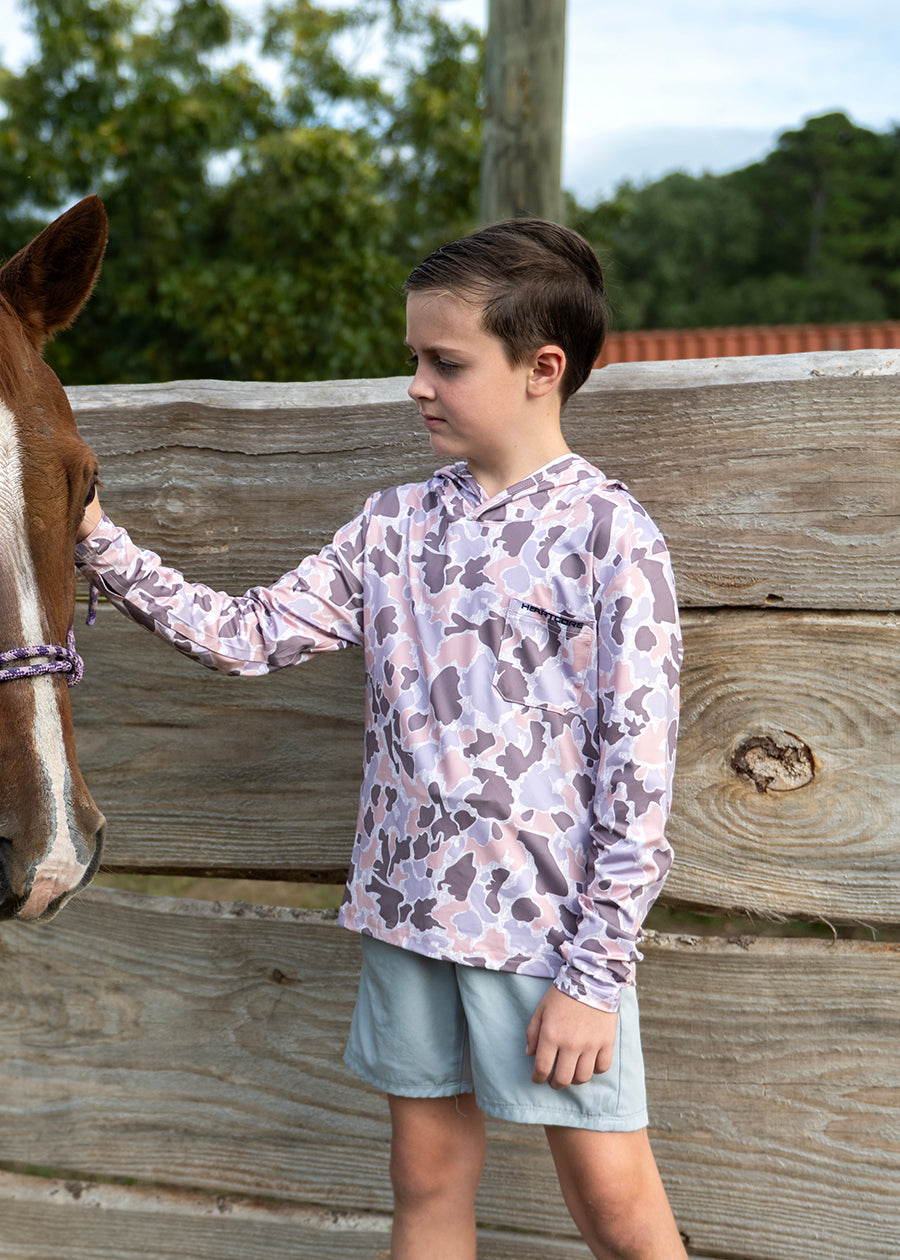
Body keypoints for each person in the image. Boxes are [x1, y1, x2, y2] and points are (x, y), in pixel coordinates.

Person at [76, 218, 687, 1259]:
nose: (416, 384)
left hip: (546, 940)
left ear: (543, 368)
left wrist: (595, 975)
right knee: (426, 1182)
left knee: (616, 1208)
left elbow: (639, 782)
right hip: (406, 918)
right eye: (415, 358)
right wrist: (95, 539)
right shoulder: (392, 524)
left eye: (446, 363)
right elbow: (244, 636)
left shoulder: (609, 537)